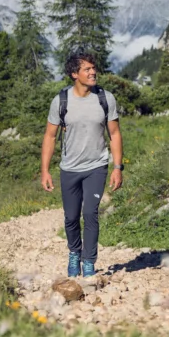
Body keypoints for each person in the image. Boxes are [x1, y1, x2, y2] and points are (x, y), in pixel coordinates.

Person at [41, 51, 124, 278]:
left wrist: (117, 167)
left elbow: (115, 134)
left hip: (97, 166)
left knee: (90, 213)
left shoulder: (105, 98)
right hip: (69, 168)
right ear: (74, 74)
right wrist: (45, 170)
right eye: (87, 69)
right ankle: (74, 253)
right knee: (70, 217)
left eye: (93, 68)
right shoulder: (61, 100)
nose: (93, 72)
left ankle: (89, 261)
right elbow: (49, 136)